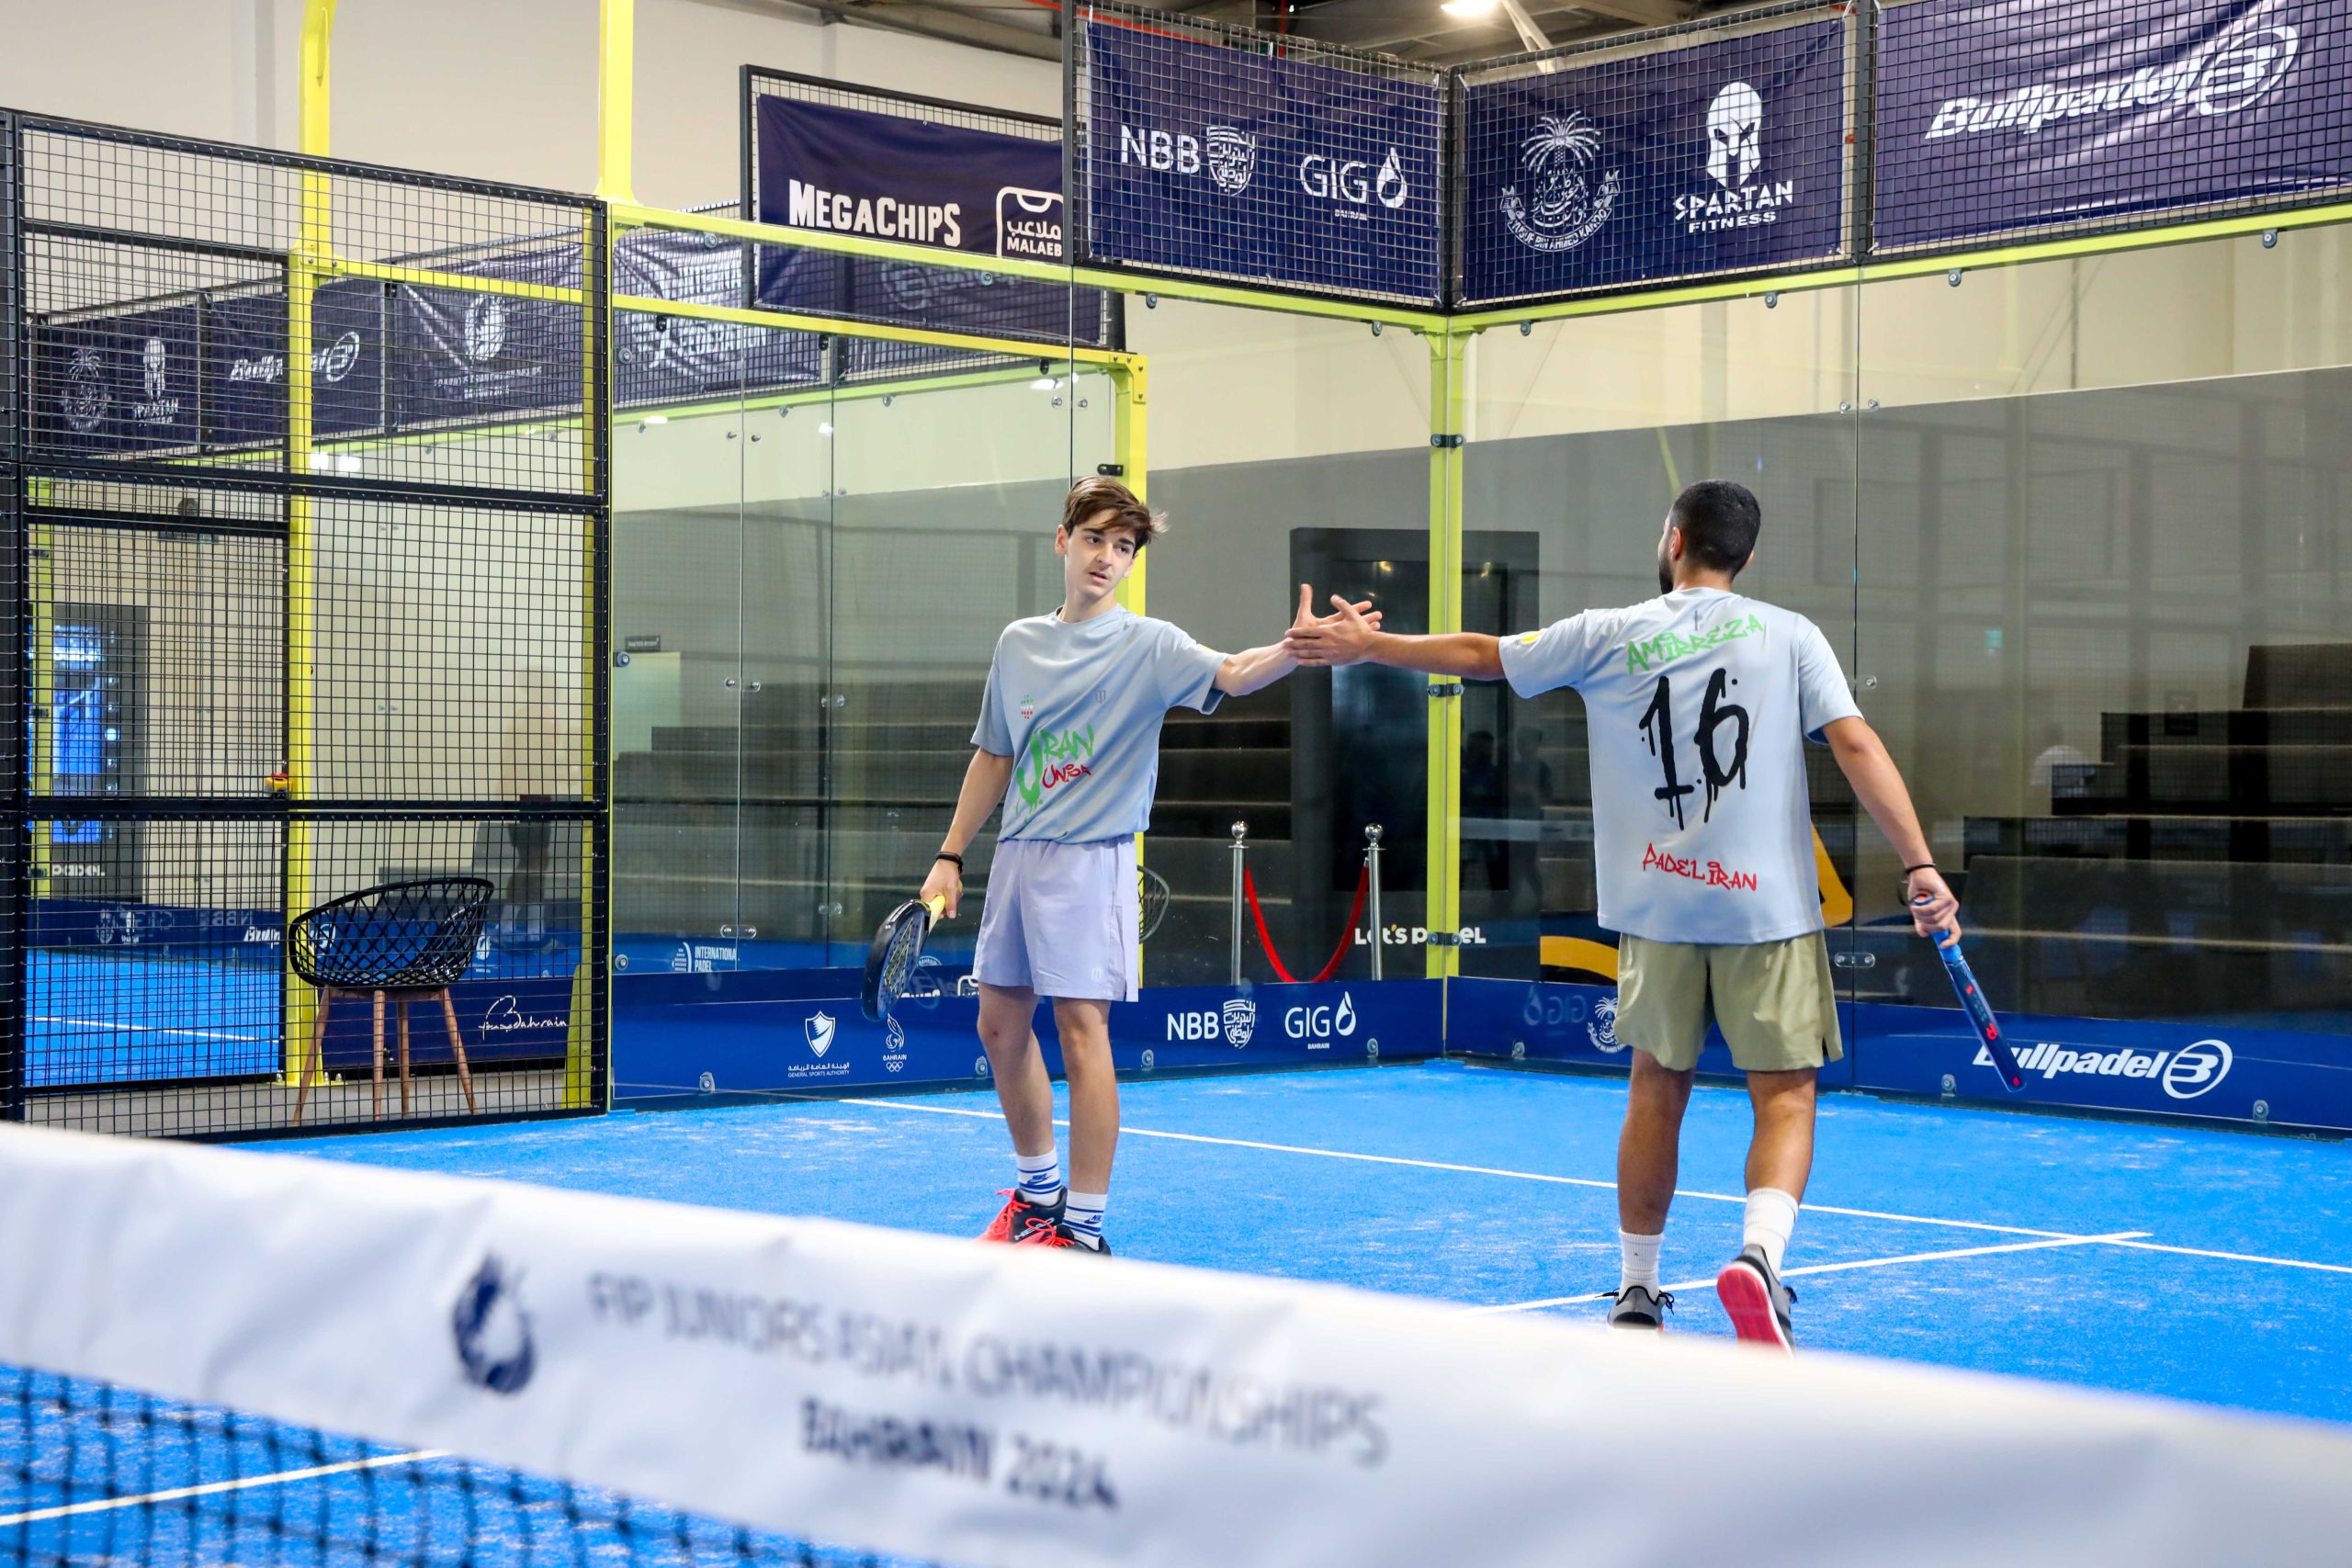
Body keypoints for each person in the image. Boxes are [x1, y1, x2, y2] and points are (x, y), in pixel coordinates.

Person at [1286, 479, 1959, 1349]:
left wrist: (1369, 644)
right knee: (1786, 1095)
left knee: (1656, 1088)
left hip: (1657, 907)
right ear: (1747, 556)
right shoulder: (1791, 634)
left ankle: (1638, 1288)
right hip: (1766, 912)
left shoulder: (1609, 631)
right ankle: (1759, 1258)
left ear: (1674, 539)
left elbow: (1483, 654)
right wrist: (1920, 864)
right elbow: (1856, 743)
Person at [920, 476, 1375, 1255]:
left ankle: (1084, 1230)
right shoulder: (1018, 643)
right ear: (1063, 541)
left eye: (1123, 546)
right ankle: (1037, 1197)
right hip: (1020, 853)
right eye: (1094, 538)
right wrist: (950, 854)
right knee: (998, 1024)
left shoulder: (1150, 644)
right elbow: (994, 756)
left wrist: (1294, 649)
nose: (1106, 556)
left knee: (1081, 1030)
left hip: (1092, 860)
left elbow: (1234, 672)